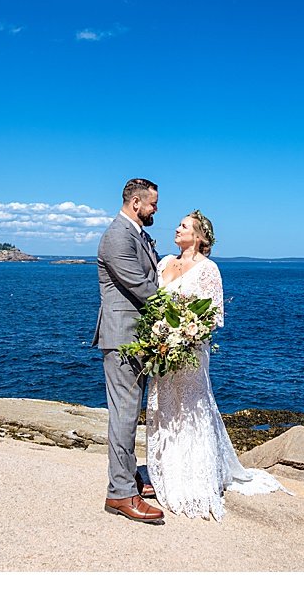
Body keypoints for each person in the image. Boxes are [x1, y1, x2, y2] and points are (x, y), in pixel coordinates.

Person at [146, 210, 287, 520]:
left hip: (191, 351)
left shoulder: (208, 269)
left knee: (192, 407)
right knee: (164, 408)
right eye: (179, 225)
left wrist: (184, 334)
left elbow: (215, 317)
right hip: (161, 348)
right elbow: (152, 304)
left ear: (199, 236)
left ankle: (195, 477)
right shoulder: (164, 262)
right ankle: (166, 471)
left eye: (183, 226)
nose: (177, 228)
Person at [94, 178, 165, 524]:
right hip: (122, 338)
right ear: (136, 203)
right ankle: (120, 494)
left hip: (135, 337)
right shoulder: (117, 236)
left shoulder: (137, 234)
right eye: (153, 204)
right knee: (123, 414)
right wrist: (179, 310)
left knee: (128, 413)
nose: (156, 209)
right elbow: (141, 286)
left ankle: (128, 476)